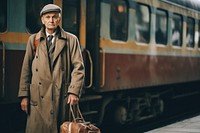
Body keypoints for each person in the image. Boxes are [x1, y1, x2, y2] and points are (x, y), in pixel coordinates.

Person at [18, 4, 85, 133]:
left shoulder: (71, 40)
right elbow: (26, 69)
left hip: (62, 96)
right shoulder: (33, 40)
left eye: (55, 17)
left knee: (61, 129)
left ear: (59, 19)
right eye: (48, 17)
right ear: (42, 20)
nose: (51, 20)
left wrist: (74, 91)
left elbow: (79, 67)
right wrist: (24, 95)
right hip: (38, 99)